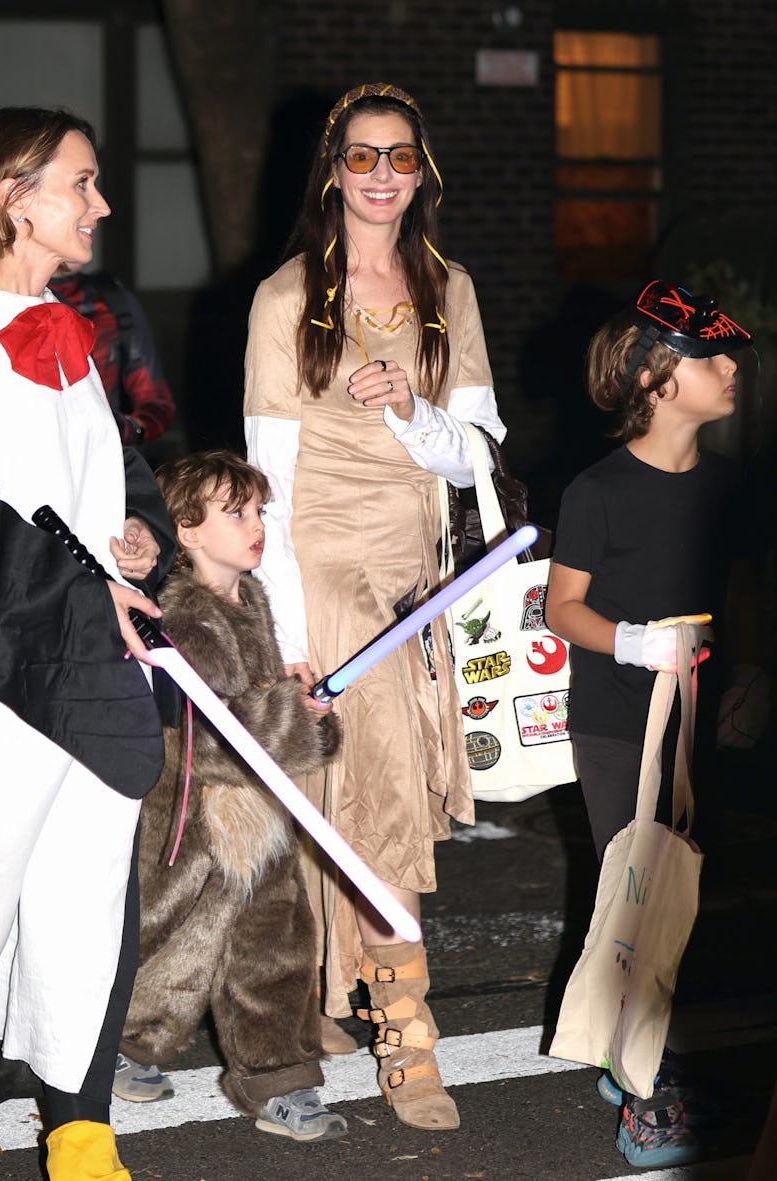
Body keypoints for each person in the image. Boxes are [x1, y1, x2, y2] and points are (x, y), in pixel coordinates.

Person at [243, 81, 507, 1131]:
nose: (384, 175)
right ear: (332, 171)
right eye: (363, 157)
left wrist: (412, 411)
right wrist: (292, 639)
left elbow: (480, 456)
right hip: (326, 572)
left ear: (422, 172)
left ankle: (322, 992)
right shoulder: (282, 299)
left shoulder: (452, 289)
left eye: (401, 156)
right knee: (384, 791)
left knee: (355, 793)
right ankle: (407, 1026)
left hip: (422, 570)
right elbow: (270, 479)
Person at [0, 106, 175, 1181]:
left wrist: (145, 538)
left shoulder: (72, 326)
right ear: (12, 195)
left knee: (87, 888)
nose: (102, 203)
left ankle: (79, 1116)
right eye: (81, 182)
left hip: (93, 653)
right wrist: (87, 599)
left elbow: (121, 483)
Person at [545, 279, 755, 1169]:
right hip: (615, 720)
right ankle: (646, 1090)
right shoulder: (597, 491)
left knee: (688, 896)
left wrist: (752, 674)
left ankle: (637, 1050)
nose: (731, 367)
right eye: (711, 357)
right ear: (658, 376)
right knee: (634, 891)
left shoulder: (732, 487)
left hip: (697, 720)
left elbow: (741, 594)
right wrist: (632, 643)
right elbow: (564, 608)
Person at [116, 449, 348, 1143]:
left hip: (259, 813)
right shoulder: (180, 614)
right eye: (236, 512)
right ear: (186, 530)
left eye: (258, 511)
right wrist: (288, 716)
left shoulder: (253, 599)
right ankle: (127, 1042)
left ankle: (280, 1079)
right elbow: (201, 736)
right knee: (169, 936)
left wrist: (310, 720)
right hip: (193, 819)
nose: (256, 526)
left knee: (274, 944)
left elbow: (267, 710)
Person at [49, 267, 176, 447]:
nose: (89, 236)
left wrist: (123, 430)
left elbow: (157, 402)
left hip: (101, 461)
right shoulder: (2, 298)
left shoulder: (109, 297)